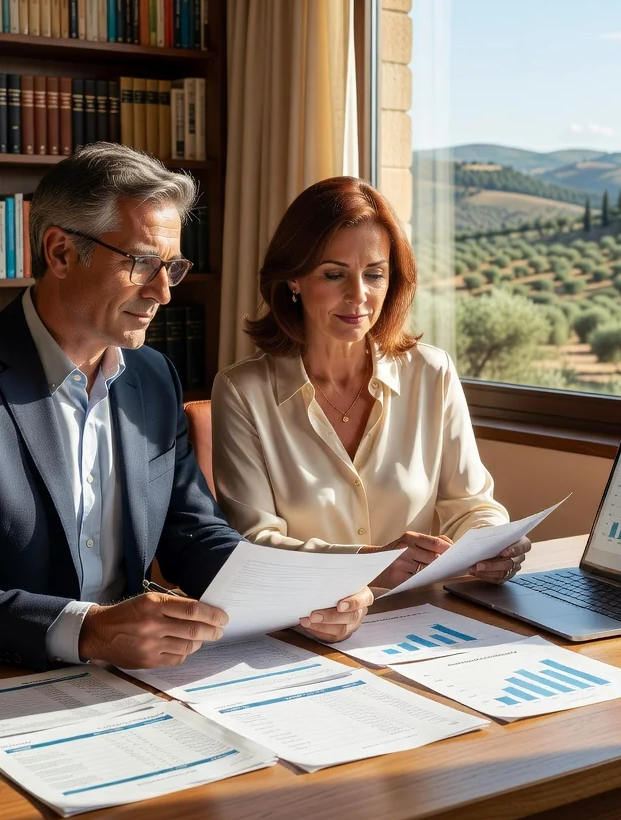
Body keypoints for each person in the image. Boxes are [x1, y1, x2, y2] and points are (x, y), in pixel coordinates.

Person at [0, 145, 371, 671]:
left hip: (131, 677)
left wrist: (304, 597)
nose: (163, 292)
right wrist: (87, 630)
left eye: (171, 267)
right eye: (142, 263)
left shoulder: (153, 377)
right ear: (60, 252)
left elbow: (195, 536)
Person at [211, 176, 529, 591]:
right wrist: (367, 565)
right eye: (333, 274)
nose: (358, 295)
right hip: (307, 616)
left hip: (421, 614)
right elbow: (254, 542)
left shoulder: (432, 373)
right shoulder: (242, 391)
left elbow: (471, 504)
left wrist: (493, 543)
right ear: (293, 280)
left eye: (374, 274)